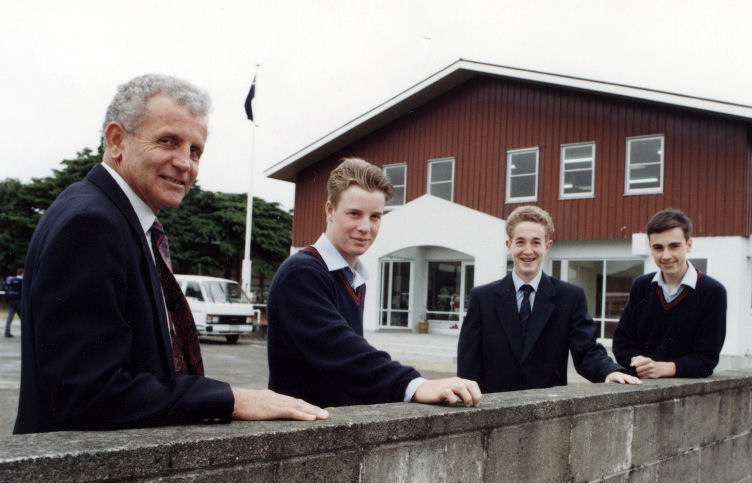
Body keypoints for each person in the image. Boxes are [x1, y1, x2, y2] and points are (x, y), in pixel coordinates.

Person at [14, 74, 328, 434]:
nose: (185, 163)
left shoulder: (116, 218)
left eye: (195, 151)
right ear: (116, 141)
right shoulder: (92, 223)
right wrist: (232, 400)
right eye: (168, 141)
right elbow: (87, 393)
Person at [267, 157, 481, 408]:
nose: (365, 227)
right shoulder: (301, 273)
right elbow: (342, 352)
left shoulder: (352, 277)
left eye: (375, 217)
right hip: (299, 434)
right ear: (330, 210)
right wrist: (415, 385)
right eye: (354, 214)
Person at [457, 206, 640, 393]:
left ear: (547, 246)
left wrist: (609, 371)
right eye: (520, 242)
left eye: (536, 242)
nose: (528, 251)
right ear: (509, 245)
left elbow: (586, 350)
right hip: (493, 409)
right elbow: (468, 361)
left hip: (548, 411)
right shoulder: (482, 297)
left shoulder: (570, 296)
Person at [612, 208, 727, 378]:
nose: (666, 255)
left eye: (674, 246)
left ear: (689, 245)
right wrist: (640, 363)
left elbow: (707, 359)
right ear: (650, 248)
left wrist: (663, 368)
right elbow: (622, 343)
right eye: (658, 247)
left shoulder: (713, 292)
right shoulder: (641, 286)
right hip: (640, 386)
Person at [3, 268, 23, 337]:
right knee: (23, 317)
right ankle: (26, 332)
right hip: (18, 301)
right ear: (22, 273)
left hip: (10, 301)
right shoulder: (21, 281)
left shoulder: (11, 281)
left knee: (10, 317)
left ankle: (7, 332)